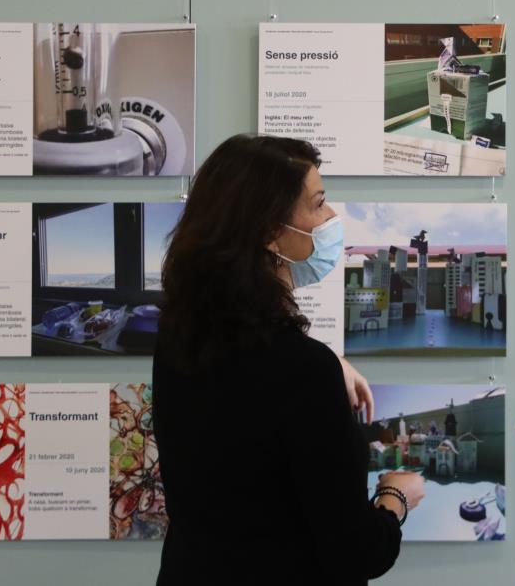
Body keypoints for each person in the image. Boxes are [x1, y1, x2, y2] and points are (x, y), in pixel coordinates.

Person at [152, 134, 425, 585]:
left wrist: (328, 362)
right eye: (318, 204)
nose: (332, 217)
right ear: (269, 232)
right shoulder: (303, 370)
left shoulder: (178, 340)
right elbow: (358, 552)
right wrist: (396, 495)